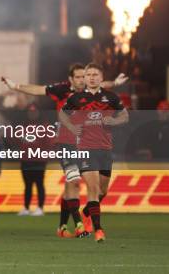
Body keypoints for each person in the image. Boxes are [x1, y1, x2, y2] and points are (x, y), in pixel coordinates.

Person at [3, 65, 127, 237]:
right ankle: (78, 224)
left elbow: (101, 85)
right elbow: (38, 90)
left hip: (86, 143)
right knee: (74, 181)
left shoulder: (89, 90)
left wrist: (114, 83)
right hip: (65, 142)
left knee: (99, 191)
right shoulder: (61, 90)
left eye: (83, 76)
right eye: (78, 77)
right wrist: (16, 86)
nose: (82, 80)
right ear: (70, 79)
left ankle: (63, 225)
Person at [59, 62, 129, 242]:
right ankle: (98, 230)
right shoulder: (76, 98)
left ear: (101, 77)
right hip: (85, 148)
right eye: (88, 74)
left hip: (105, 149)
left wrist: (114, 122)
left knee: (102, 191)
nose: (90, 77)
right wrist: (72, 128)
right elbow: (62, 114)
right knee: (93, 187)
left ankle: (86, 212)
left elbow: (125, 116)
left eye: (94, 74)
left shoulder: (111, 97)